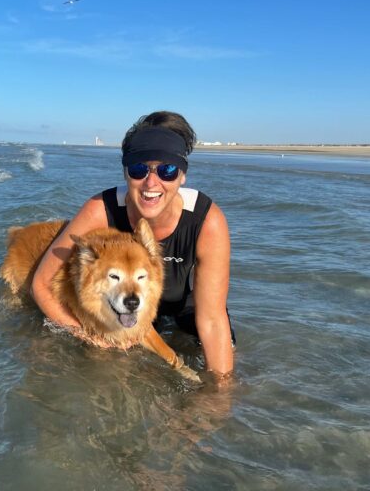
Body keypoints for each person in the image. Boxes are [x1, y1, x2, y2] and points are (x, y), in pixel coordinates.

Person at [31, 111, 234, 377]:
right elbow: (40, 284)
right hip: (117, 308)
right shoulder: (98, 209)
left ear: (182, 175)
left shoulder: (207, 220)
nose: (151, 183)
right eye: (139, 170)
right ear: (126, 172)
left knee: (218, 374)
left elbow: (211, 319)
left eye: (167, 170)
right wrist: (85, 335)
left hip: (182, 308)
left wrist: (219, 395)